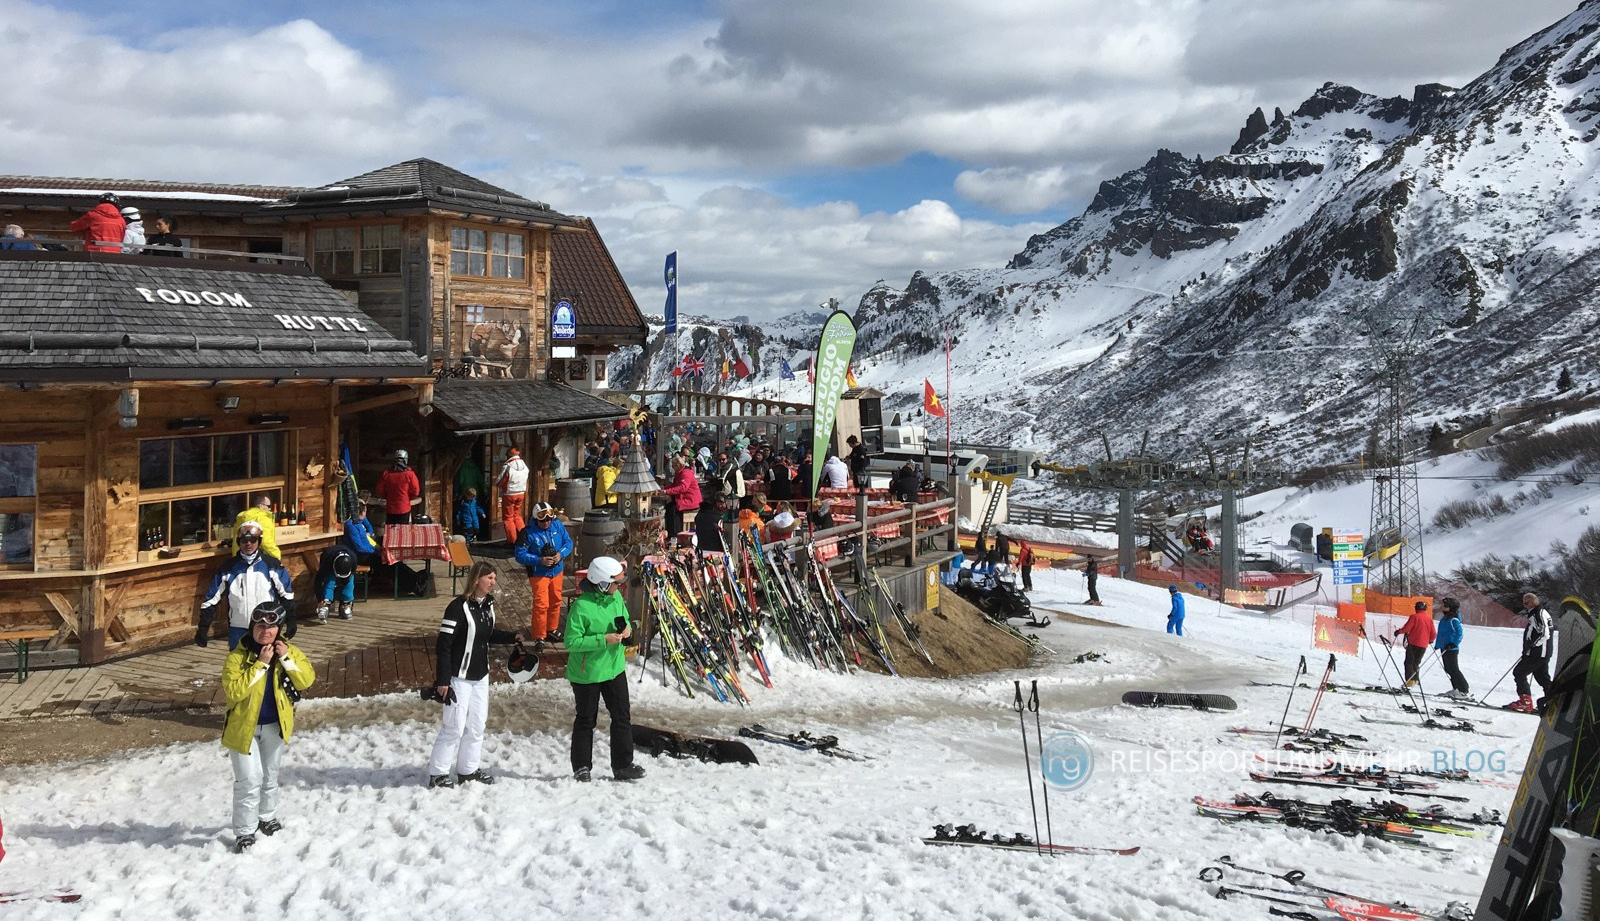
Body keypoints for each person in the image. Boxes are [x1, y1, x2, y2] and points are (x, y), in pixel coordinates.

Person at [222, 602, 315, 853]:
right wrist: (261, 665)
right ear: (252, 628)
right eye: (260, 626)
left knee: (270, 776)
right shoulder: (237, 657)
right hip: (243, 730)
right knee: (249, 780)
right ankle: (244, 831)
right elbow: (234, 690)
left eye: (271, 626)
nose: (266, 631)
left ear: (279, 629)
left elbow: (306, 679)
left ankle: (267, 817)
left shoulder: (287, 651)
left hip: (274, 726)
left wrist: (285, 658)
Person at [425, 561, 520, 788]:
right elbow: (444, 645)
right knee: (454, 727)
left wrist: (511, 637)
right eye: (489, 578)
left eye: (494, 578)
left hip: (480, 676)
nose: (493, 582)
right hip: (458, 677)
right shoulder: (458, 608)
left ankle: (468, 770)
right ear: (477, 580)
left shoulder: (487, 605)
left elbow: (486, 634)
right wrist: (443, 680)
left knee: (477, 725)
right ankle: (438, 774)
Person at [565, 556, 645, 783]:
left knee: (621, 716)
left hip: (614, 668)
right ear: (600, 583)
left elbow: (624, 618)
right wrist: (603, 640)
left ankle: (623, 765)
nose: (619, 586)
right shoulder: (581, 607)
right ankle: (581, 766)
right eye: (615, 582)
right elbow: (571, 642)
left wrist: (627, 629)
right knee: (585, 719)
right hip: (587, 674)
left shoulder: (615, 597)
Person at [199, 522, 296, 649]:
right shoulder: (228, 567)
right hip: (238, 628)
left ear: (259, 541)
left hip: (266, 626)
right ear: (239, 542)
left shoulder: (272, 565)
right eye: (244, 540)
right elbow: (211, 599)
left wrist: (291, 620)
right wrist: (203, 628)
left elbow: (287, 595)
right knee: (236, 666)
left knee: (266, 664)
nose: (248, 544)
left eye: (253, 540)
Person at [515, 502, 573, 644]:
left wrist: (561, 554)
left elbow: (568, 543)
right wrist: (539, 560)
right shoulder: (527, 533)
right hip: (539, 573)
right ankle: (539, 635)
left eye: (549, 519)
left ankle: (551, 629)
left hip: (557, 571)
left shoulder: (557, 525)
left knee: (556, 601)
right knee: (541, 605)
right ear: (536, 519)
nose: (546, 522)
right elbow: (519, 555)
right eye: (543, 519)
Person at [1509, 592, 1556, 712]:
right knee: (1542, 677)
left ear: (1534, 601)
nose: (1525, 605)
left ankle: (1525, 702)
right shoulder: (1540, 613)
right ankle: (1553, 701)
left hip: (1538, 653)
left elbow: (1543, 634)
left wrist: (1532, 645)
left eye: (1527, 602)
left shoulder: (1537, 614)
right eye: (1524, 603)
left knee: (1519, 672)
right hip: (1542, 653)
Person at [1393, 600, 1437, 688]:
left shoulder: (1414, 617)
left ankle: (1410, 682)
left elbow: (1407, 628)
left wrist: (1399, 631)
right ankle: (1416, 681)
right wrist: (1431, 639)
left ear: (1416, 608)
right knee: (1416, 663)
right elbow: (1433, 633)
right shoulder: (1429, 619)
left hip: (1413, 643)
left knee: (1409, 662)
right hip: (1423, 645)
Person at [312, 543, 358, 623]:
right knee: (329, 582)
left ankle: (345, 603)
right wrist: (320, 598)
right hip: (330, 564)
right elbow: (318, 579)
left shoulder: (353, 559)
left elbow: (348, 577)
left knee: (349, 584)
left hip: (346, 568)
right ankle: (325, 604)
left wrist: (341, 593)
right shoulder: (327, 559)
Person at [1435, 597, 1470, 699]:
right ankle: (1456, 689)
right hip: (1444, 647)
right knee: (1448, 669)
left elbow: (1459, 633)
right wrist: (1438, 644)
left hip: (1451, 648)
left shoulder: (1454, 619)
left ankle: (1463, 689)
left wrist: (1454, 643)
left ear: (1451, 608)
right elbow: (1442, 633)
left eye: (1445, 606)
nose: (1443, 607)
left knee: (1453, 669)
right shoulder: (1445, 618)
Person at [659, 455, 701, 540]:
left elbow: (682, 487)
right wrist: (663, 489)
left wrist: (666, 491)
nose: (673, 468)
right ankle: (669, 533)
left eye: (674, 466)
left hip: (690, 500)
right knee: (669, 507)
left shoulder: (686, 473)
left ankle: (675, 536)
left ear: (679, 465)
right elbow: (675, 485)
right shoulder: (680, 473)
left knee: (673, 510)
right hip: (684, 499)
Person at [374, 449, 421, 524]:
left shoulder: (386, 474)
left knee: (390, 531)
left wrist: (388, 497)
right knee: (403, 532)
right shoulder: (410, 474)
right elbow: (416, 491)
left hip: (390, 508)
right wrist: (408, 498)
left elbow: (379, 490)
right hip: (404, 508)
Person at [233, 494, 281, 560]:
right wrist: (277, 556)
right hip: (258, 560)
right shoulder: (262, 518)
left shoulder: (242, 518)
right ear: (260, 505)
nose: (270, 509)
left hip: (239, 558)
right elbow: (266, 541)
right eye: (268, 506)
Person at [497, 448, 529, 544]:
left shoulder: (508, 466)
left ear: (509, 455)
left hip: (509, 494)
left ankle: (512, 541)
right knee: (517, 516)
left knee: (508, 518)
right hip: (521, 493)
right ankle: (524, 537)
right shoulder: (524, 465)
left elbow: (499, 481)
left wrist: (500, 486)